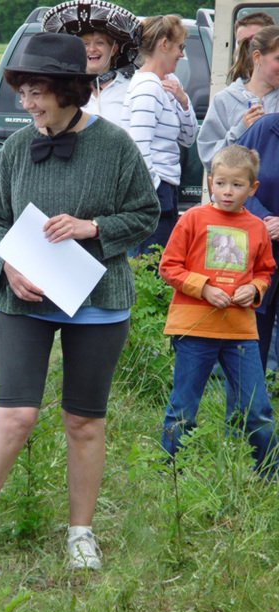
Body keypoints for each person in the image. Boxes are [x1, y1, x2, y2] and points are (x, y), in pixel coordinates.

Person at [0, 32, 160, 575]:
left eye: (37, 92)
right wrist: (7, 268)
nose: (27, 103)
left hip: (99, 299)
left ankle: (81, 535)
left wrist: (93, 227)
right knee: (16, 413)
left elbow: (144, 212)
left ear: (69, 89)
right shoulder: (18, 146)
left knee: (83, 421)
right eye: (23, 92)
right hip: (24, 299)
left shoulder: (115, 145)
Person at [158, 145, 279, 477]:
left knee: (258, 410)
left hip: (240, 333)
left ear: (252, 188)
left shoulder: (256, 228)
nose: (228, 191)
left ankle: (269, 476)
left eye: (237, 185)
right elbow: (169, 266)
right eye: (222, 183)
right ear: (210, 182)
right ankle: (171, 476)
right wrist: (204, 288)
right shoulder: (193, 219)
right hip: (195, 328)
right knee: (183, 407)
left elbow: (265, 271)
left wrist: (254, 289)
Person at [121, 14, 198, 256]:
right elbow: (138, 150)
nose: (182, 55)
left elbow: (188, 138)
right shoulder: (148, 88)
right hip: (155, 192)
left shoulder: (168, 82)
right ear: (163, 45)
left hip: (166, 189)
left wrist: (183, 101)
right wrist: (152, 197)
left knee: (161, 267)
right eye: (180, 47)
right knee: (151, 271)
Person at [42, 0, 141, 126]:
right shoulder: (66, 90)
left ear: (114, 50)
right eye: (85, 44)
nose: (92, 49)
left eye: (99, 43)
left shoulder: (131, 90)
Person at [198, 26, 279, 174]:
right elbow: (209, 159)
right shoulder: (225, 100)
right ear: (257, 57)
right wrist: (241, 131)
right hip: (240, 194)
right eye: (278, 59)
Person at [237, 113, 279, 371]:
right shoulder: (266, 129)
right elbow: (230, 177)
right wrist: (261, 217)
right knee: (252, 336)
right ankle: (247, 406)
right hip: (258, 252)